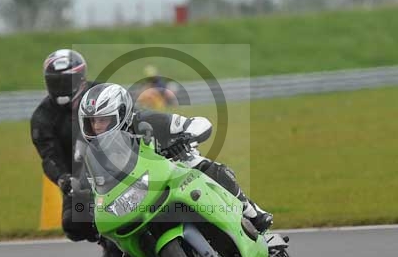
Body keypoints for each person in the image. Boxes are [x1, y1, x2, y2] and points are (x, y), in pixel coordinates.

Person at [78, 83, 273, 234]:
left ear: (121, 113)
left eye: (103, 120)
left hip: (176, 173)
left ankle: (252, 212)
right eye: (92, 122)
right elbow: (91, 184)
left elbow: (199, 123)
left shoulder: (148, 120)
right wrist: (84, 195)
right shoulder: (95, 153)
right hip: (137, 194)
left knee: (202, 166)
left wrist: (186, 137)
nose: (97, 127)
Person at [30, 49, 120, 257]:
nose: (61, 88)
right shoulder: (42, 118)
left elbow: (136, 115)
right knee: (73, 223)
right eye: (56, 82)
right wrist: (63, 179)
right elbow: (49, 157)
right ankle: (105, 239)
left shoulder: (103, 93)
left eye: (66, 81)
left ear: (81, 78)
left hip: (120, 161)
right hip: (81, 178)